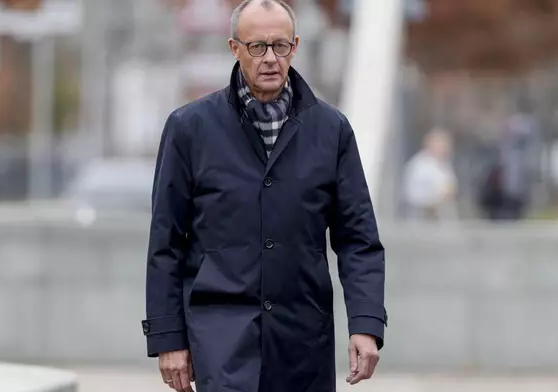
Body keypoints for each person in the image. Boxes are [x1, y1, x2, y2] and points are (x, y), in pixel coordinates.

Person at [141, 1, 387, 391]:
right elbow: (166, 244)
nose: (270, 58)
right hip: (220, 340)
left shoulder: (331, 130)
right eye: (257, 47)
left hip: (303, 342)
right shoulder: (189, 129)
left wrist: (367, 323)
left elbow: (359, 240)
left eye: (281, 46)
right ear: (234, 48)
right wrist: (168, 339)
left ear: (296, 46)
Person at [402, 128, 457, 221]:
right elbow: (413, 195)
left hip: (441, 219)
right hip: (422, 220)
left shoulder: (443, 164)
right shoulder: (419, 165)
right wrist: (437, 198)